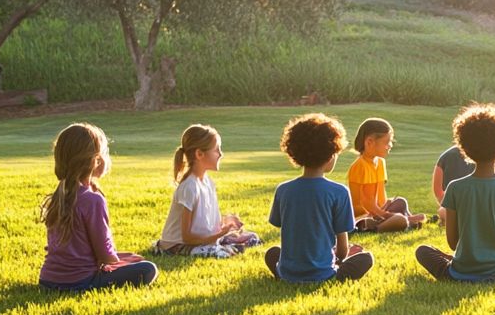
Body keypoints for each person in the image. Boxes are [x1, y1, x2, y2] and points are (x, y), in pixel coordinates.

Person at [416, 104, 495, 282]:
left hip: (461, 271)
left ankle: (457, 273)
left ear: (463, 146)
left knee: (423, 251)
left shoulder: (454, 187)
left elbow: (453, 243)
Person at [38, 123, 158, 291]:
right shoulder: (92, 200)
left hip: (47, 280)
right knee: (147, 269)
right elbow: (105, 257)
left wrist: (122, 256)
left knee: (134, 258)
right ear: (95, 160)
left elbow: (77, 251)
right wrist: (119, 260)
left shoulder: (60, 194)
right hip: (81, 282)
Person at [265, 113, 373, 283]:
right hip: (323, 273)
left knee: (272, 253)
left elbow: (285, 229)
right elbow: (342, 249)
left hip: (289, 271)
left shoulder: (283, 190)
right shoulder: (339, 192)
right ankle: (334, 276)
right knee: (366, 258)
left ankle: (283, 274)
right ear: (331, 156)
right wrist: (340, 258)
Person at [155, 124, 261, 258]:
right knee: (222, 253)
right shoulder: (189, 187)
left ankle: (224, 246)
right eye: (217, 150)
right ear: (199, 154)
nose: (221, 154)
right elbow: (187, 237)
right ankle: (223, 248)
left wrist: (226, 222)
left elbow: (203, 223)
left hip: (203, 241)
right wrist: (220, 235)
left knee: (252, 238)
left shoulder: (208, 182)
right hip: (178, 245)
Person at [347, 117, 425, 232]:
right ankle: (377, 228)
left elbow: (380, 195)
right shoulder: (360, 166)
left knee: (400, 201)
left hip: (378, 211)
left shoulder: (380, 162)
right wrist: (386, 214)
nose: (390, 146)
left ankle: (406, 221)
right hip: (363, 216)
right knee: (399, 220)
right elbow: (366, 203)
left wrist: (387, 205)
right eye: (387, 142)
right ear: (370, 142)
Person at [431, 143, 474, 225]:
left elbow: (438, 192)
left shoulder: (446, 156)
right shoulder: (447, 157)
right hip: (458, 207)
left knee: (444, 211)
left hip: (458, 208)